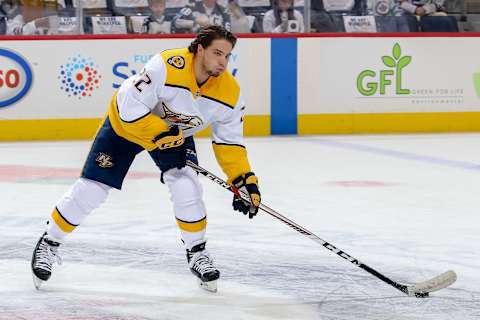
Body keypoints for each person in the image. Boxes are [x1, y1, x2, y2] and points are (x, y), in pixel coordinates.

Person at [31, 25, 261, 293]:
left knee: (186, 184)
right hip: (127, 127)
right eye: (217, 53)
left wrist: (243, 179)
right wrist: (160, 133)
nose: (223, 61)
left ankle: (197, 252)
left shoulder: (230, 93)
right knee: (92, 190)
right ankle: (49, 242)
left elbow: (230, 142)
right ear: (200, 50)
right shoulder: (167, 64)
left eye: (227, 55)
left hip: (174, 133)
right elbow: (129, 107)